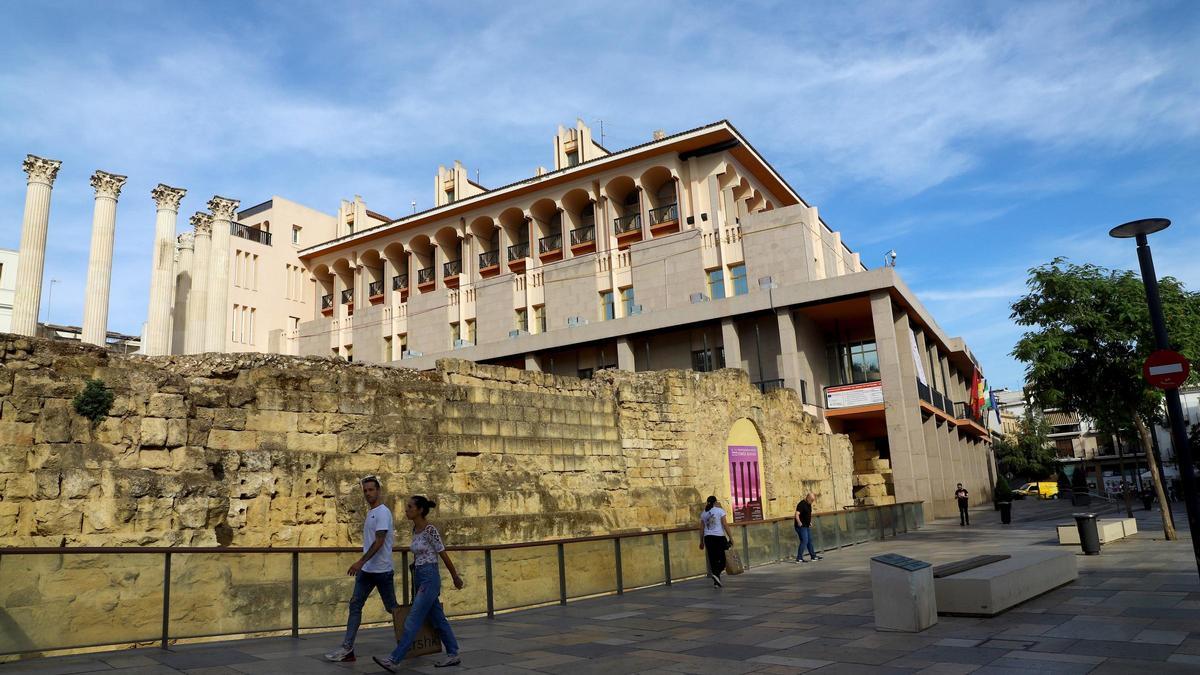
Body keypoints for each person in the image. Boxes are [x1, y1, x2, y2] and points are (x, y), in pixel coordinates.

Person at [373, 496, 464, 672]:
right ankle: (453, 654)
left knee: (413, 618)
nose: (406, 510)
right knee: (438, 618)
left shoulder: (430, 530)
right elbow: (421, 553)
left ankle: (395, 659)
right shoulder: (415, 529)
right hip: (420, 576)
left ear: (420, 510)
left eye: (410, 507)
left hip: (430, 577)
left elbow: (442, 553)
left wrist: (455, 576)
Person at [325, 476, 398, 663]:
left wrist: (360, 562)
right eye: (365, 490)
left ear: (378, 490)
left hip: (381, 571)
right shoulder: (371, 513)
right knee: (355, 605)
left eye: (371, 490)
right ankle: (347, 648)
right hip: (368, 571)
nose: (368, 494)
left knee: (393, 609)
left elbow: (380, 541)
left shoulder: (383, 513)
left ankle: (412, 639)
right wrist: (363, 564)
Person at [698, 495, 733, 588]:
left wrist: (701, 541)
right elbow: (725, 525)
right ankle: (717, 573)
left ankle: (716, 582)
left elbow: (701, 529)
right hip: (719, 537)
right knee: (723, 559)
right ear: (715, 502)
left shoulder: (703, 513)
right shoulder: (720, 511)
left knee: (713, 559)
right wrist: (731, 537)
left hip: (708, 538)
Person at [794, 492, 822, 562]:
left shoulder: (809, 504)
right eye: (812, 500)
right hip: (801, 526)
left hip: (806, 525)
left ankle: (813, 556)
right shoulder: (801, 504)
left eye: (813, 500)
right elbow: (797, 514)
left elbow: (806, 515)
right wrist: (799, 522)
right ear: (808, 498)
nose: (812, 502)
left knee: (809, 541)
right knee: (804, 541)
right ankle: (799, 558)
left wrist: (809, 522)